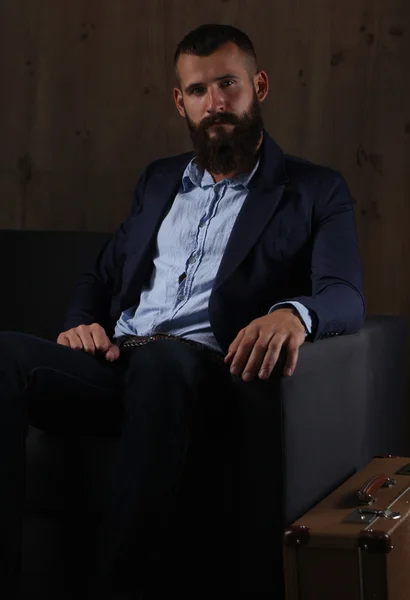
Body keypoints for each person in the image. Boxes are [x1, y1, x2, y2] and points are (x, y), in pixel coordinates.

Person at [0, 23, 365, 599]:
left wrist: (294, 314)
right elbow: (100, 274)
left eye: (228, 84)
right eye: (199, 91)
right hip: (117, 363)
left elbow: (346, 293)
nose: (215, 103)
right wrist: (81, 323)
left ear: (259, 85)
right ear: (180, 101)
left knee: (164, 362)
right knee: (6, 354)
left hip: (202, 373)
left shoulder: (314, 189)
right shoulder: (159, 179)